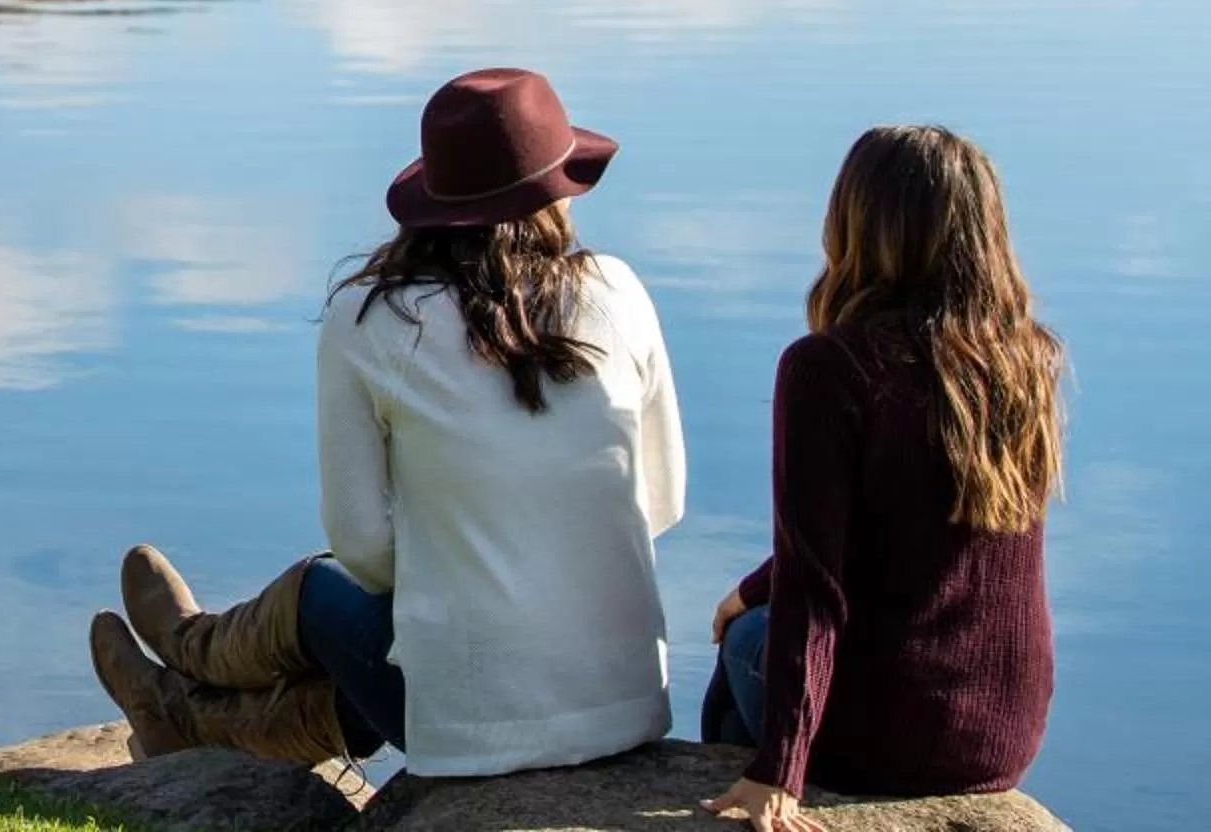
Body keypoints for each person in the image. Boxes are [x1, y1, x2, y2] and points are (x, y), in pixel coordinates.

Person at [90, 67, 687, 777]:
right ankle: (181, 709)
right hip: (625, 708)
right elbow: (663, 501)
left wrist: (457, 574)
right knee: (398, 643)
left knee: (322, 590)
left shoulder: (371, 318)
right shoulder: (619, 290)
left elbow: (364, 548)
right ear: (558, 192)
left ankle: (190, 653)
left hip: (473, 727)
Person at [701, 126, 1064, 831]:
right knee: (753, 612)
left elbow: (816, 586)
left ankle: (739, 791)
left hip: (883, 735)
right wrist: (753, 585)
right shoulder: (1026, 362)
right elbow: (902, 529)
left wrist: (780, 768)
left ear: (855, 222)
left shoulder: (827, 368)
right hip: (1003, 733)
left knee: (749, 641)